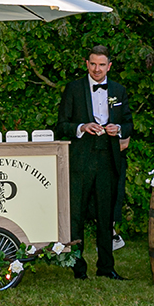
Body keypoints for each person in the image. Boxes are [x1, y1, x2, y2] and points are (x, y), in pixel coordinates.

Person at [56, 45, 134, 280]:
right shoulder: (73, 89)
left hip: (109, 159)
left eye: (102, 65)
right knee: (76, 213)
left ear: (109, 66)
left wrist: (118, 128)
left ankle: (106, 267)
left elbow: (130, 124)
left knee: (105, 214)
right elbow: (61, 125)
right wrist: (81, 127)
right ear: (86, 64)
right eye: (93, 64)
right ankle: (77, 267)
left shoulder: (119, 91)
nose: (97, 69)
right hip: (81, 160)